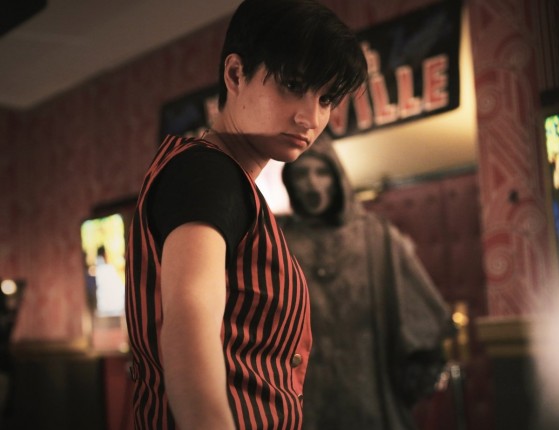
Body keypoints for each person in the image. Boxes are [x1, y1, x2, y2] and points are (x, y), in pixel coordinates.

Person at [125, 1, 367, 429]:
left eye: (326, 98)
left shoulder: (221, 177)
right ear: (236, 74)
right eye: (293, 84)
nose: (310, 117)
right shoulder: (208, 172)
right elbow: (188, 331)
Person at [280, 134, 454, 430]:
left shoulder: (376, 236)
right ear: (290, 182)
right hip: (303, 396)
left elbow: (423, 317)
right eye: (301, 174)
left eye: (321, 172)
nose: (312, 184)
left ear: (337, 178)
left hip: (371, 390)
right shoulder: (279, 239)